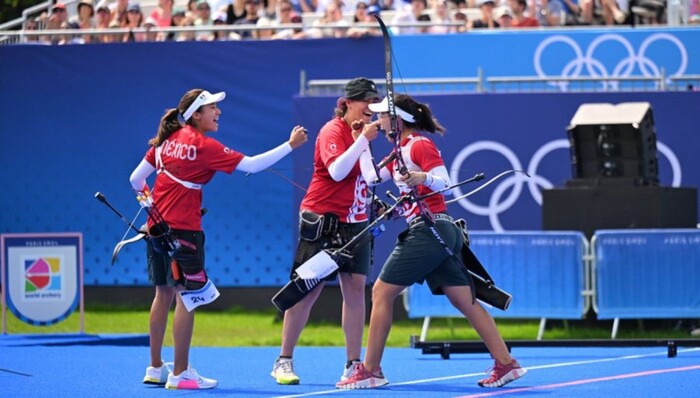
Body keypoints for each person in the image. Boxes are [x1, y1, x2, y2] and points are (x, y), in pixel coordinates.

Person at [336, 94, 527, 389]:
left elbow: (445, 183)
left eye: (382, 116)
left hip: (430, 229)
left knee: (382, 292)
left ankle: (371, 370)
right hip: (437, 231)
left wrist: (419, 176)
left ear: (397, 120)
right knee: (464, 300)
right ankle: (506, 364)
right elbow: (372, 178)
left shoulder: (420, 145)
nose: (377, 120)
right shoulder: (399, 150)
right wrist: (361, 140)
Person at [130, 88, 307, 390]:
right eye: (212, 107)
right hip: (184, 232)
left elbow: (135, 180)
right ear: (196, 114)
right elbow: (251, 165)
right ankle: (181, 373)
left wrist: (150, 207)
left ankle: (157, 367)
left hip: (156, 229)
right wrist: (290, 145)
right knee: (188, 297)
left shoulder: (164, 143)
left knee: (162, 295)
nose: (218, 112)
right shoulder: (201, 145)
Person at [271, 77, 381, 385]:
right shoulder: (333, 130)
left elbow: (369, 177)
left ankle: (352, 364)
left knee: (356, 291)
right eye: (366, 102)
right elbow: (336, 171)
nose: (371, 108)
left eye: (374, 103)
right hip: (324, 222)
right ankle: (284, 360)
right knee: (307, 290)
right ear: (347, 104)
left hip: (355, 222)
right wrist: (363, 140)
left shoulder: (362, 133)